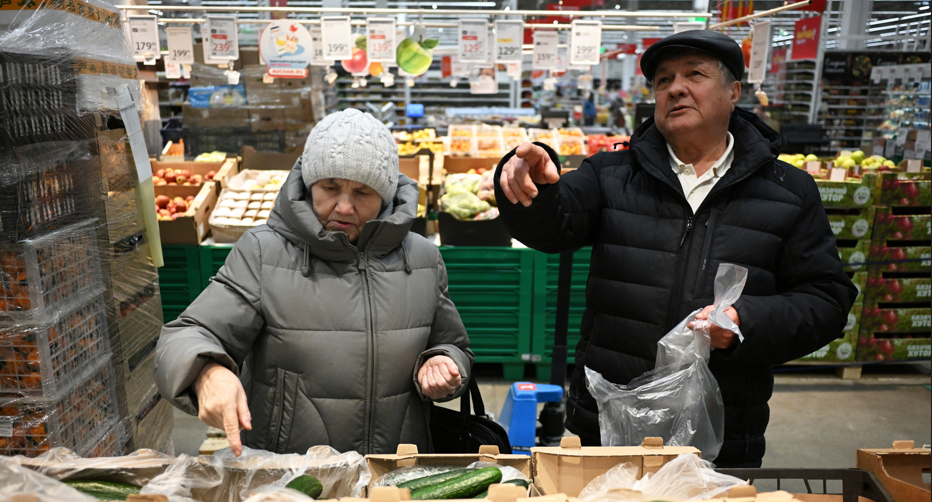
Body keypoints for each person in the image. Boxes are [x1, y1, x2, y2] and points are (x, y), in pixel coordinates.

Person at [494, 29, 856, 468]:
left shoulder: (788, 191)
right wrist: (528, 182)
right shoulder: (612, 173)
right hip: (608, 425)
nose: (676, 87)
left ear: (733, 91)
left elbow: (827, 300)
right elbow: (553, 225)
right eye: (663, 80)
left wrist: (747, 323)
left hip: (721, 433)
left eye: (694, 74)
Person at [155, 109, 474, 457]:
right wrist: (206, 372)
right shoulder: (265, 253)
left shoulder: (423, 259)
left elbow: (455, 346)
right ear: (309, 186)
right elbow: (185, 335)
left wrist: (443, 362)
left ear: (385, 196)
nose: (344, 206)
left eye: (363, 192)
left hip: (395, 471)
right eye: (330, 187)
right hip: (291, 476)